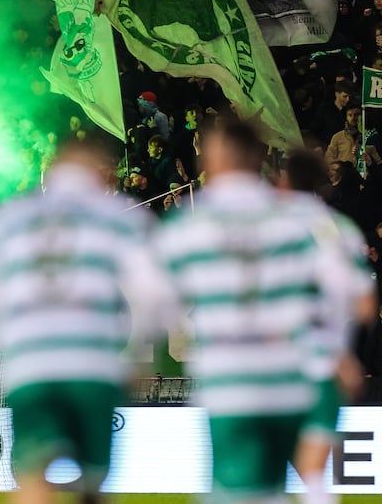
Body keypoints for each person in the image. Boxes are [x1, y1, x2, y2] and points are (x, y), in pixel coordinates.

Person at [155, 120, 361, 504]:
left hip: (231, 383)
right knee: (303, 478)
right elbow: (349, 290)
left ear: (214, 160)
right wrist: (337, 345)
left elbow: (154, 298)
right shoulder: (307, 222)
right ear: (260, 159)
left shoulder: (190, 222)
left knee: (241, 493)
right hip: (292, 377)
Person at [0, 132, 172, 504]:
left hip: (32, 368)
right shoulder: (117, 216)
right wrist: (136, 352)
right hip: (93, 366)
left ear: (53, 169)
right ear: (99, 173)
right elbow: (154, 294)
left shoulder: (15, 216)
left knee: (33, 474)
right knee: (93, 482)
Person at [277, 149, 376, 504]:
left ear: (283, 181)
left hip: (270, 364)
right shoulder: (340, 230)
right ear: (325, 185)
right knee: (314, 476)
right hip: (324, 363)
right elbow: (365, 305)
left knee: (261, 474)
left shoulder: (266, 227)